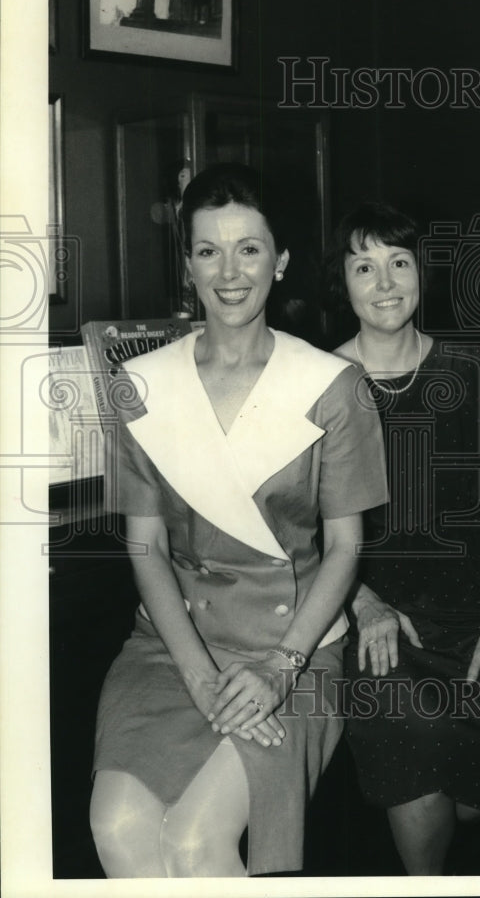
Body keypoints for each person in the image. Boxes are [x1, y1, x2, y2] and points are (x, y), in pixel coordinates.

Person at [89, 163, 388, 878]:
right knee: (118, 824)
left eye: (249, 249)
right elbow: (145, 547)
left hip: (294, 644)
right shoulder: (140, 386)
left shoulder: (332, 387)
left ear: (279, 261)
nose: (229, 271)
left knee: (195, 840)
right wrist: (197, 675)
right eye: (208, 250)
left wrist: (282, 669)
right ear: (187, 264)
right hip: (173, 641)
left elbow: (346, 548)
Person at [327, 201, 480, 875]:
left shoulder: (466, 371)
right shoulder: (319, 382)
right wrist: (362, 604)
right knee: (421, 753)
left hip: (466, 614)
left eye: (398, 262)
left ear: (420, 273)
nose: (384, 283)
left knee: (477, 800)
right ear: (342, 284)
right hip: (372, 614)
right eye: (364, 265)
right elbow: (297, 528)